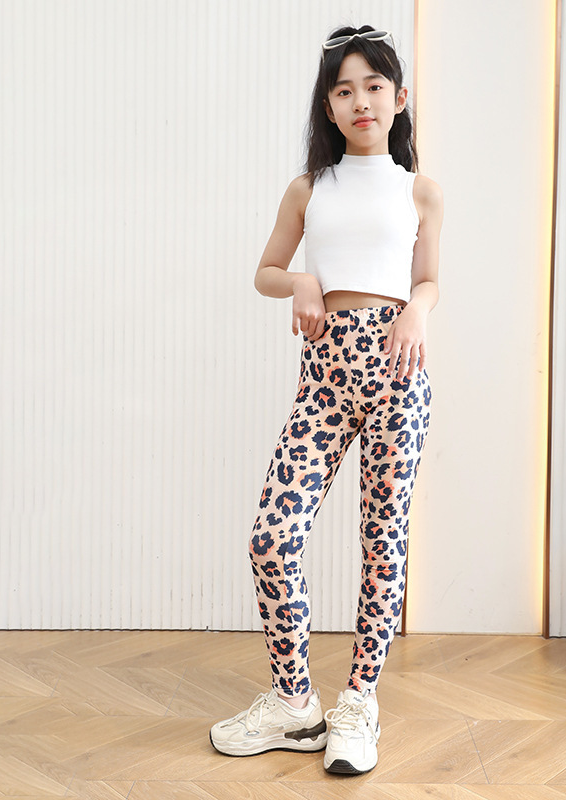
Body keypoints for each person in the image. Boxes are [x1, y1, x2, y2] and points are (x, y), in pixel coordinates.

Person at [209, 25, 443, 775]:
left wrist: (417, 310)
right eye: (344, 90)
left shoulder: (419, 190)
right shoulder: (309, 189)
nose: (360, 101)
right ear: (329, 106)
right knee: (271, 537)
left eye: (374, 86)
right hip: (325, 376)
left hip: (397, 371)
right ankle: (294, 703)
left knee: (383, 541)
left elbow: (428, 280)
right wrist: (303, 281)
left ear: (398, 99)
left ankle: (358, 703)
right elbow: (266, 271)